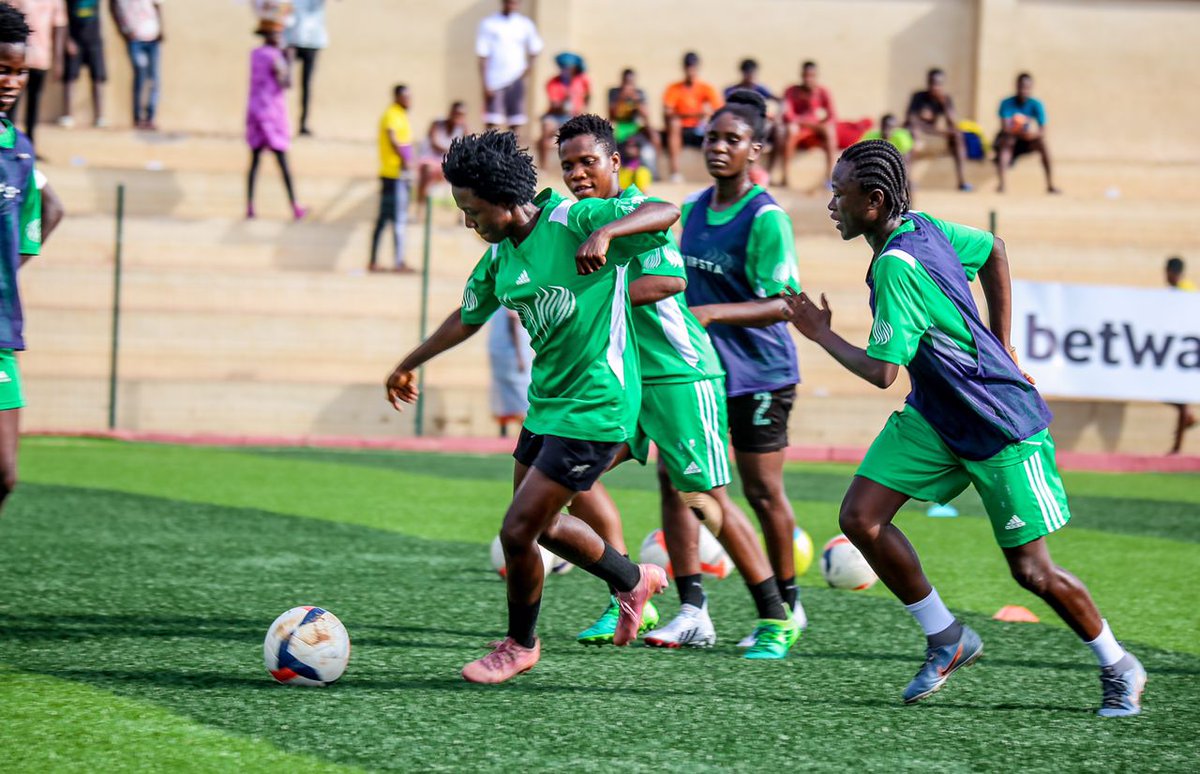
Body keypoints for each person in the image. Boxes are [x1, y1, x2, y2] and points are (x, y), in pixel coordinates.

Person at [784, 139, 1145, 715]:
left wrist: (820, 332)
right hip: (936, 415)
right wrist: (1003, 341)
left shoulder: (897, 265)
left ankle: (1119, 664)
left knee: (1032, 572)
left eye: (839, 193)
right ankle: (947, 638)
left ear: (874, 201)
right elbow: (995, 250)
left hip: (997, 421)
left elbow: (881, 372)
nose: (831, 204)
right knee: (860, 517)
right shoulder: (923, 227)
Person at [384, 130, 676, 684]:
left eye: (472, 211)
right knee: (543, 527)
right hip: (547, 405)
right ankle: (632, 579)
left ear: (503, 200)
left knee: (517, 531)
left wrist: (607, 232)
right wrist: (409, 362)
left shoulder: (573, 220)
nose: (467, 222)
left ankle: (520, 645)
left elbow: (665, 211)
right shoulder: (500, 255)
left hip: (598, 403)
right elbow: (467, 315)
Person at [557, 112, 800, 658]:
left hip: (682, 375)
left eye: (588, 162)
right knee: (568, 476)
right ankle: (630, 590)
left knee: (706, 498)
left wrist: (598, 291)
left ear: (614, 162)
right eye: (568, 165)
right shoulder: (575, 219)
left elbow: (671, 279)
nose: (577, 174)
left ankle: (775, 617)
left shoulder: (639, 212)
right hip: (629, 378)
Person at [675, 90, 809, 645]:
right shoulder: (691, 210)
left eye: (732, 139)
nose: (718, 147)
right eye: (712, 137)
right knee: (687, 482)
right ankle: (692, 607)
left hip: (761, 374)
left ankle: (789, 605)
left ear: (756, 149)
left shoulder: (766, 217)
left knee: (761, 491)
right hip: (702, 373)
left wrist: (711, 313)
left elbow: (786, 302)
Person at [0, 3, 47, 521]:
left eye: (19, 72)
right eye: (2, 69)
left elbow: (34, 224)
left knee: (3, 474)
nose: (11, 82)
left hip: (0, 331)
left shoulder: (18, 148)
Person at [244, 18, 305, 221]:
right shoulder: (274, 56)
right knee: (282, 162)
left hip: (255, 111)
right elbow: (286, 82)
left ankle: (250, 206)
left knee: (254, 162)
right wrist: (289, 61)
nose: (279, 38)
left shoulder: (255, 54)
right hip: (271, 114)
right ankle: (295, 205)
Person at [475, 0, 541, 136]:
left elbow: (535, 48)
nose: (511, 5)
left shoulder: (525, 24)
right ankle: (489, 148)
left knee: (515, 120)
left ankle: (513, 148)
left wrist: (529, 68)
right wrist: (485, 84)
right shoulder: (489, 23)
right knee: (492, 120)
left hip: (516, 78)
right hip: (494, 79)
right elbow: (482, 55)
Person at [370, 84, 413, 272]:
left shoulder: (400, 114)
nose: (409, 100)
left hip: (395, 175)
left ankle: (375, 261)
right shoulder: (392, 114)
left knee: (385, 219)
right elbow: (393, 138)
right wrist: (405, 160)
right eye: (405, 97)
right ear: (397, 97)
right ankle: (398, 262)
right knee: (398, 219)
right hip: (394, 175)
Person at [905, 68, 970, 191]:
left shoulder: (946, 99)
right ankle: (907, 181)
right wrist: (937, 130)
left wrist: (944, 103)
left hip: (934, 136)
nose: (934, 86)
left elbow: (953, 123)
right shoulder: (918, 97)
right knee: (913, 131)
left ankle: (962, 181)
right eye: (932, 82)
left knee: (958, 135)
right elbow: (911, 120)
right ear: (928, 82)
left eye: (938, 83)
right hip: (919, 136)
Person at [11, 0, 65, 145]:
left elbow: (59, 26)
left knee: (34, 102)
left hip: (41, 58)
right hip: (19, 58)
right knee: (12, 102)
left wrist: (58, 61)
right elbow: (9, 19)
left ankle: (30, 144)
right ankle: (8, 145)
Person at [662, 51, 721, 183]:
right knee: (675, 124)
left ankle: (717, 172)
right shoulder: (674, 88)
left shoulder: (706, 88)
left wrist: (706, 115)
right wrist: (696, 114)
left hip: (700, 128)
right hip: (681, 130)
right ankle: (675, 172)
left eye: (693, 67)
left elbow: (718, 110)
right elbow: (668, 112)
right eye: (688, 67)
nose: (690, 71)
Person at [995, 73, 1058, 194]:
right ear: (1016, 86)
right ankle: (1002, 185)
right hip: (1010, 139)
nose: (1023, 90)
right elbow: (1005, 127)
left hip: (1026, 140)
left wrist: (1031, 135)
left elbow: (1043, 130)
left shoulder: (1036, 104)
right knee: (1007, 141)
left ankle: (1051, 185)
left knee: (1043, 144)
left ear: (1031, 87)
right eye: (1021, 86)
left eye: (1026, 87)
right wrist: (1020, 131)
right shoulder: (1006, 103)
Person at [780, 60, 837, 190]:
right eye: (806, 75)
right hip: (798, 129)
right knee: (791, 129)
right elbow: (788, 115)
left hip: (813, 129)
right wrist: (805, 122)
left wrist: (821, 123)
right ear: (801, 75)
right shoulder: (791, 91)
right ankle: (785, 177)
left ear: (816, 76)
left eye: (811, 76)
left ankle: (829, 177)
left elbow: (832, 116)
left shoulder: (822, 92)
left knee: (829, 130)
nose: (808, 79)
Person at [724, 58, 781, 186]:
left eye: (753, 73)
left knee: (776, 129)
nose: (750, 76)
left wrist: (775, 116)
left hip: (758, 127)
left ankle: (769, 172)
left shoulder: (761, 90)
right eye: (748, 73)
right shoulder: (733, 91)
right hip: (739, 126)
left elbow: (780, 101)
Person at [109, 0, 163, 130]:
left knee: (153, 79)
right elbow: (113, 8)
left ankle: (150, 118)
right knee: (140, 78)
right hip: (135, 40)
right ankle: (138, 118)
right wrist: (123, 31)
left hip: (152, 37)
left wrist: (161, 28)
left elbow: (157, 6)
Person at [284, 0, 331, 136]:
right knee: (282, 83)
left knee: (306, 84)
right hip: (291, 39)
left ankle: (303, 123)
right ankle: (280, 122)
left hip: (312, 39)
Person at [536, 51, 588, 170]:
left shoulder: (582, 81)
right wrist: (565, 100)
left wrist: (582, 109)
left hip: (574, 116)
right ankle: (544, 167)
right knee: (547, 128)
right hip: (556, 115)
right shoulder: (553, 82)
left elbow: (587, 96)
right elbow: (554, 105)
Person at [1165, 256, 1196, 454]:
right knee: (1175, 396)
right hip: (1179, 350)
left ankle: (1177, 449)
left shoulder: (1185, 292)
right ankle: (1188, 418)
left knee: (1181, 398)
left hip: (1186, 350)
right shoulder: (1179, 291)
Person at [486, 308, 533, 438]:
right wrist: (520, 356)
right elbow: (513, 323)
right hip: (512, 354)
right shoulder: (510, 301)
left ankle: (505, 432)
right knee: (522, 395)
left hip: (500, 352)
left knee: (505, 394)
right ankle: (528, 433)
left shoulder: (497, 305)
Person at [60, 0, 106, 128]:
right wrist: (67, 40)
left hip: (94, 41)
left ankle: (100, 117)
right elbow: (63, 17)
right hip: (75, 41)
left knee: (98, 78)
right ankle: (68, 115)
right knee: (70, 78)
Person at [416, 101, 466, 207]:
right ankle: (420, 207)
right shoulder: (437, 124)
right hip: (431, 161)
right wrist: (452, 150)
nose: (458, 117)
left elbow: (467, 146)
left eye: (461, 115)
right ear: (450, 112)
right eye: (456, 113)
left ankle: (463, 212)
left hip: (448, 163)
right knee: (427, 171)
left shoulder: (463, 128)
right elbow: (434, 143)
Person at [608, 68, 657, 156]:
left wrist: (637, 100)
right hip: (619, 125)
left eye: (630, 82)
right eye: (626, 82)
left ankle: (655, 160)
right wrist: (621, 98)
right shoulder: (614, 92)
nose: (628, 85)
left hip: (635, 126)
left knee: (654, 136)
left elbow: (646, 115)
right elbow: (612, 115)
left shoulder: (639, 93)